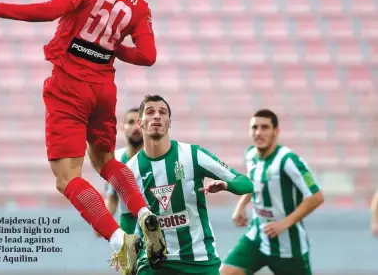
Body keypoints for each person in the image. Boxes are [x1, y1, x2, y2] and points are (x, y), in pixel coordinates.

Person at [0, 0, 166, 274]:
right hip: (104, 87)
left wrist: (1, 8)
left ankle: (121, 241)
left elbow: (52, 9)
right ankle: (145, 213)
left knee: (66, 177)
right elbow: (148, 56)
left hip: (69, 85)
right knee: (105, 161)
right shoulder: (139, 2)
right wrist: (116, 49)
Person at [117, 94, 254, 275]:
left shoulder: (193, 155)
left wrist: (227, 186)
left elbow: (245, 183)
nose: (157, 116)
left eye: (162, 112)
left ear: (169, 122)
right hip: (154, 263)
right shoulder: (129, 171)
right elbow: (127, 217)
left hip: (198, 260)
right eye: (150, 112)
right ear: (140, 123)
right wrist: (127, 256)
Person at [221, 109, 325, 275]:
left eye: (265, 127)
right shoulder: (251, 154)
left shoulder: (288, 160)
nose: (258, 133)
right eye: (254, 127)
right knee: (227, 272)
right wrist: (241, 206)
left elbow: (316, 197)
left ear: (276, 131)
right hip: (257, 235)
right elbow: (254, 180)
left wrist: (284, 223)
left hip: (287, 244)